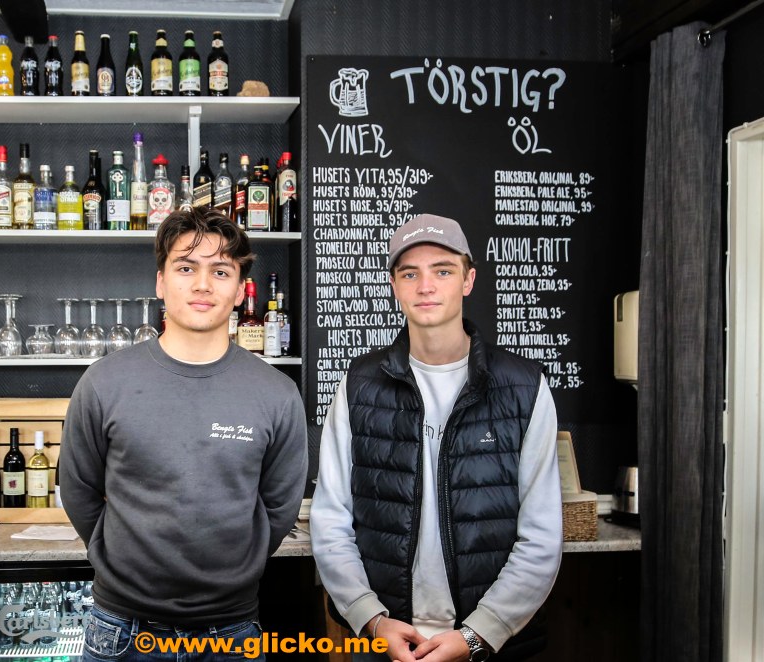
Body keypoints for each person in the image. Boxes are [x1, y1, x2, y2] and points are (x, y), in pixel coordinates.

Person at [59, 206, 308, 662]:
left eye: (221, 271)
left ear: (240, 290)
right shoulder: (103, 382)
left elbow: (279, 507)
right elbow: (78, 489)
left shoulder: (277, 393)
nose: (202, 284)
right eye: (186, 268)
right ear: (160, 282)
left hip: (232, 633)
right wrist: (123, 563)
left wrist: (235, 573)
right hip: (122, 632)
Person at [310, 213, 562, 662]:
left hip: (493, 646)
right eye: (410, 274)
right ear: (394, 285)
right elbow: (331, 518)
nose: (425, 286)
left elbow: (541, 535)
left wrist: (479, 634)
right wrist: (371, 619)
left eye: (442, 271)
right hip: (385, 641)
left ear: (468, 279)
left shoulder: (524, 386)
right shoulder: (358, 385)